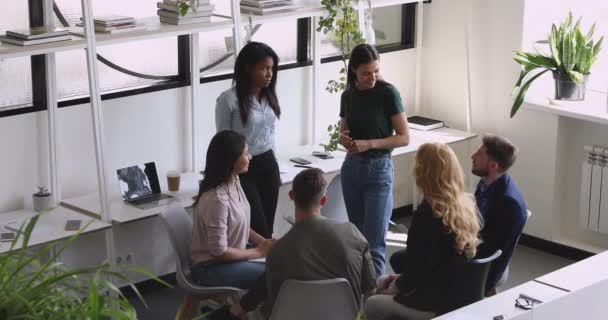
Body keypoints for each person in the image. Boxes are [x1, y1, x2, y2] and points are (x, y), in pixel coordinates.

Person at [206, 168, 377, 319]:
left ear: (291, 195)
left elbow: (270, 306)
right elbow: (370, 290)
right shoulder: (353, 233)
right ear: (323, 201)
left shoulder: (278, 251)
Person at [365, 143, 481, 320]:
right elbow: (426, 265)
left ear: (422, 172)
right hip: (454, 292)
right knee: (381, 281)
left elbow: (415, 270)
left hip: (432, 302)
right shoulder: (464, 206)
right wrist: (398, 281)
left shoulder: (427, 215)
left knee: (372, 304)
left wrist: (396, 286)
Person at [339, 43, 410, 276]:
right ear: (354, 72)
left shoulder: (388, 93)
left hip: (378, 169)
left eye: (376, 71)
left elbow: (403, 138)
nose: (373, 77)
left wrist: (370, 143)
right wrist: (345, 141)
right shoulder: (348, 95)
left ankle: (372, 304)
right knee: (357, 238)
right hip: (352, 168)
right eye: (366, 73)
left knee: (376, 242)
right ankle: (358, 293)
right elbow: (344, 131)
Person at [190, 130, 274, 290]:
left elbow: (239, 224)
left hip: (231, 260)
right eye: (246, 154)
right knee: (274, 274)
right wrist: (258, 252)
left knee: (280, 266)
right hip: (210, 268)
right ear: (232, 161)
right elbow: (219, 252)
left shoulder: (235, 180)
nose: (250, 157)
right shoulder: (217, 199)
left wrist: (265, 243)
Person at [215, 41, 282, 239]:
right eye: (264, 68)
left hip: (268, 164)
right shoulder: (228, 100)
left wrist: (275, 162)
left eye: (271, 69)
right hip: (243, 168)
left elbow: (270, 133)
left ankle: (266, 267)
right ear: (248, 68)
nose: (269, 74)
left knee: (267, 228)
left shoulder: (269, 96)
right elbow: (222, 141)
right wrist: (223, 178)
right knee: (257, 228)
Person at [471, 134, 527, 296]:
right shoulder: (486, 182)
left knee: (404, 260)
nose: (472, 157)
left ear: (493, 165)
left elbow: (490, 251)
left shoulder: (508, 203)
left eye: (479, 155)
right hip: (476, 247)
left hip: (483, 268)